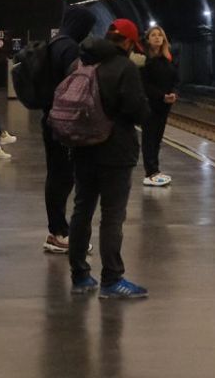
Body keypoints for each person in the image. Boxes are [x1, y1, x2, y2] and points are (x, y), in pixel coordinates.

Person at [63, 18, 150, 298]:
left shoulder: (80, 63)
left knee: (81, 211)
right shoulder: (125, 68)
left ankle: (80, 277)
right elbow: (138, 112)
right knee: (112, 217)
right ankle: (112, 280)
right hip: (115, 152)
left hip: (82, 148)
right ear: (126, 42)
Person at [38, 8, 96, 254]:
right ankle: (58, 232)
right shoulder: (69, 48)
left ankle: (57, 229)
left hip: (50, 117)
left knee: (57, 174)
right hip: (63, 120)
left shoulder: (54, 43)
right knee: (63, 176)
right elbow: (75, 86)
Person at [140, 25, 179, 187]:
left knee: (157, 139)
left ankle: (155, 170)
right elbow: (144, 83)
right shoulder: (144, 60)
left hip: (164, 105)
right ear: (148, 39)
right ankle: (150, 172)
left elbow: (175, 79)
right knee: (149, 138)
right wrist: (161, 95)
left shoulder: (168, 59)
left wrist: (173, 93)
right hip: (150, 104)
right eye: (153, 35)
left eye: (160, 35)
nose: (157, 38)